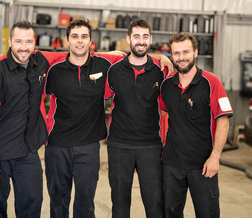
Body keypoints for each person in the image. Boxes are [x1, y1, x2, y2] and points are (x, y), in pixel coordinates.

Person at [44, 19, 173, 218]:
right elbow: (39, 58)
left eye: (84, 36)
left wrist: (159, 56)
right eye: (75, 37)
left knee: (87, 203)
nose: (80, 41)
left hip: (99, 146)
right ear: (67, 40)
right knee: (60, 201)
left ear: (91, 40)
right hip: (63, 145)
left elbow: (136, 54)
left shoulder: (109, 65)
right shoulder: (56, 70)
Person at [0, 20, 66, 218]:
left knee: (32, 205)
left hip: (27, 152)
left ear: (35, 43)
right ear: (9, 42)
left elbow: (75, 53)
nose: (24, 47)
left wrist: (115, 58)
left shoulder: (41, 60)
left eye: (29, 42)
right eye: (19, 41)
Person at [160, 32, 233, 218]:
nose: (181, 57)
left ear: (195, 52)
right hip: (172, 163)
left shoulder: (212, 82)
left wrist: (215, 157)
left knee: (207, 213)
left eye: (185, 52)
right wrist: (159, 57)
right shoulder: (166, 86)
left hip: (203, 164)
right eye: (176, 53)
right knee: (170, 213)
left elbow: (223, 120)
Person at [104, 19, 166, 218]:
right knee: (120, 205)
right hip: (119, 146)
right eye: (136, 36)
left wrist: (164, 58)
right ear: (128, 39)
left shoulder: (160, 71)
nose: (141, 41)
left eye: (145, 37)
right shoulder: (113, 71)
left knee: (155, 204)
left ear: (151, 39)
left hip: (151, 146)